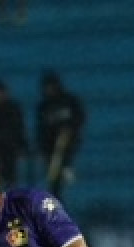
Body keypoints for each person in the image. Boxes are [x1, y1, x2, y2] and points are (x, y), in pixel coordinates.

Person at [35, 70, 85, 201]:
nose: (48, 90)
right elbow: (41, 130)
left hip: (69, 146)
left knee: (60, 175)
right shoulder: (44, 106)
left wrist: (70, 129)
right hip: (51, 150)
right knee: (53, 181)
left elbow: (79, 118)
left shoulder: (69, 101)